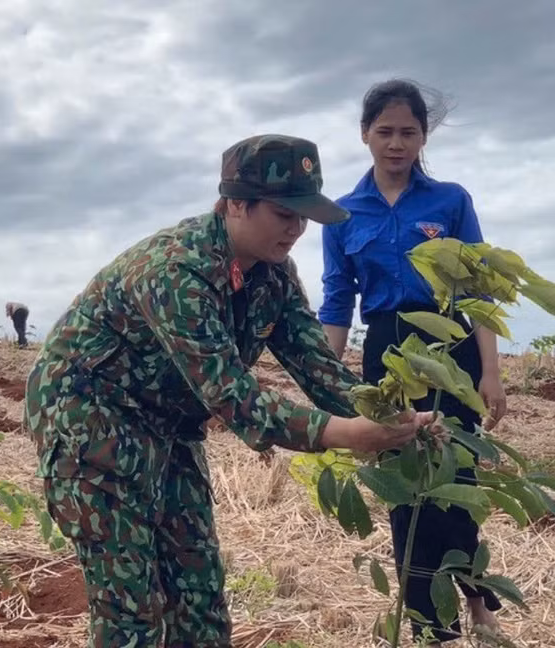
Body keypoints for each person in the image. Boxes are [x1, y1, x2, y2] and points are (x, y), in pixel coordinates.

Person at [23, 134, 439, 648]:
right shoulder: (175, 271)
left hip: (169, 422)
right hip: (90, 414)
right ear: (236, 204)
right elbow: (233, 397)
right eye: (285, 213)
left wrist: (394, 419)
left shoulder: (275, 275)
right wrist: (343, 435)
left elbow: (317, 364)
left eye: (304, 216)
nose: (297, 229)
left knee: (198, 594)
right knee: (131, 603)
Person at [318, 79, 508, 644]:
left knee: (456, 472)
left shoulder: (450, 200)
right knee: (404, 482)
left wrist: (490, 373)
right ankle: (430, 623)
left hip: (451, 348)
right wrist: (327, 380)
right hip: (386, 350)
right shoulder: (343, 213)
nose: (396, 144)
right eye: (385, 132)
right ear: (364, 135)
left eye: (408, 132)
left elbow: (478, 289)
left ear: (424, 137)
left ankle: (476, 599)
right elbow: (336, 300)